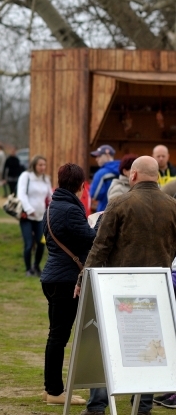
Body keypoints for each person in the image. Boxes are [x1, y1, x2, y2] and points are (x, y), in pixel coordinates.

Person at [76, 156, 176, 415]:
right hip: (157, 287)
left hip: (119, 287)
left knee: (105, 345)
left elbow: (100, 247)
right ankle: (142, 406)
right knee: (151, 348)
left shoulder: (120, 203)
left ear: (133, 176)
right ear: (156, 175)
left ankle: (97, 405)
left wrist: (82, 279)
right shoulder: (173, 206)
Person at [39, 163, 93, 408]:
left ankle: (51, 388)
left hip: (52, 276)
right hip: (66, 280)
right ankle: (55, 391)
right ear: (81, 185)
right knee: (59, 337)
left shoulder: (51, 208)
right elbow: (91, 238)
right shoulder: (71, 210)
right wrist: (102, 222)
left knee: (56, 336)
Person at [17, 155, 51, 277]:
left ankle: (36, 266)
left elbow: (49, 196)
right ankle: (28, 269)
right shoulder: (26, 176)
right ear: (34, 165)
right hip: (27, 216)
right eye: (40, 165)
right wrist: (29, 209)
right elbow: (21, 194)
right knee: (29, 244)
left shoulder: (45, 179)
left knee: (41, 243)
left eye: (44, 165)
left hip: (40, 217)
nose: (42, 167)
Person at [88, 144, 119, 212]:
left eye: (99, 156)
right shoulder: (123, 170)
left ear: (107, 155)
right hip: (122, 212)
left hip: (105, 211)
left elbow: (94, 195)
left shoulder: (101, 173)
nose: (96, 159)